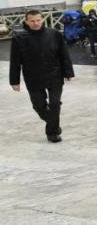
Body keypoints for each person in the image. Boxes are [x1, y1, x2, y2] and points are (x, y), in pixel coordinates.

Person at [9, 10, 73, 143]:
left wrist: (68, 72)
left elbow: (64, 54)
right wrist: (14, 81)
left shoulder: (54, 34)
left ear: (42, 19)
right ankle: (53, 123)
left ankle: (52, 133)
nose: (36, 23)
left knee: (55, 104)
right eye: (32, 21)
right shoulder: (19, 39)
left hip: (55, 74)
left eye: (38, 20)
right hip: (33, 77)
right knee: (38, 106)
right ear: (26, 21)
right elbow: (15, 61)